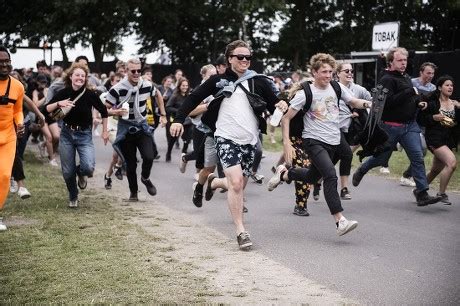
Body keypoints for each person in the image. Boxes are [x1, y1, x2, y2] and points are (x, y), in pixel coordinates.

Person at [171, 40, 287, 250]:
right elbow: (193, 98)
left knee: (238, 184)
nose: (244, 61)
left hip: (250, 140)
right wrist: (178, 119)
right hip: (224, 138)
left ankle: (213, 183)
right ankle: (241, 231)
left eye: (248, 57)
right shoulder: (218, 80)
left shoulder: (259, 81)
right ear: (229, 59)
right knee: (235, 184)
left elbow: (274, 105)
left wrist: (281, 103)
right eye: (240, 57)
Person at [268, 53, 370, 236]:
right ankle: (340, 221)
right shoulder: (305, 93)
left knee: (313, 177)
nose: (328, 75)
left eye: (331, 71)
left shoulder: (336, 87)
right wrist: (286, 144)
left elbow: (353, 102)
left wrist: (368, 104)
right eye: (324, 72)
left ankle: (284, 173)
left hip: (333, 140)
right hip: (313, 141)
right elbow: (286, 118)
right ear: (314, 72)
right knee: (330, 175)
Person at [352, 47, 442, 207]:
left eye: (405, 60)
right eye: (400, 60)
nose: (403, 63)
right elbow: (385, 104)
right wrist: (409, 92)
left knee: (418, 156)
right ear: (391, 62)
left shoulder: (405, 76)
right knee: (380, 158)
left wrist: (417, 102)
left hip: (410, 126)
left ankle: (421, 193)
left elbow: (409, 97)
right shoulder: (386, 79)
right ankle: (363, 169)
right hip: (390, 128)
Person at [46, 62, 109, 208]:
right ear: (71, 76)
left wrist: (105, 131)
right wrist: (59, 103)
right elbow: (47, 109)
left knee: (88, 167)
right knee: (68, 172)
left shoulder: (90, 94)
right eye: (77, 75)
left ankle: (81, 174)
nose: (80, 78)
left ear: (86, 78)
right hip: (67, 134)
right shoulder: (63, 92)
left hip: (84, 134)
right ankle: (73, 195)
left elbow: (104, 112)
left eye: (83, 75)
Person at [105, 58, 167, 201]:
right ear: (126, 71)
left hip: (142, 126)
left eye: (139, 70)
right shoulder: (117, 89)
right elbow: (104, 109)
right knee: (130, 164)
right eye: (133, 71)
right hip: (126, 129)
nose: (137, 73)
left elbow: (157, 94)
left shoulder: (146, 85)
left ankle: (145, 178)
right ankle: (133, 193)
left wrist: (163, 114)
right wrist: (116, 112)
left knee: (149, 156)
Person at [418, 75, 459, 205]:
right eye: (447, 85)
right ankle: (441, 193)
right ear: (440, 87)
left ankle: (419, 190)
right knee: (452, 163)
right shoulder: (433, 103)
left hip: (448, 140)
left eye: (452, 85)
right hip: (434, 138)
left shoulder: (455, 104)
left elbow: (456, 124)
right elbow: (421, 120)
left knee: (436, 169)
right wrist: (433, 118)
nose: (450, 87)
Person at [397, 62, 439, 187]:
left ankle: (406, 175)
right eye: (428, 73)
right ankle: (401, 142)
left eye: (432, 73)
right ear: (421, 72)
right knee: (420, 150)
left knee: (423, 151)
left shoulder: (433, 88)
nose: (430, 76)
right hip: (408, 120)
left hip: (422, 122)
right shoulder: (412, 83)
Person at [0, 45, 25, 231]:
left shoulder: (18, 86)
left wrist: (20, 122)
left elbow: (18, 110)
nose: (4, 65)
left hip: (8, 137)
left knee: (5, 176)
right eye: (0, 62)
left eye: (7, 61)